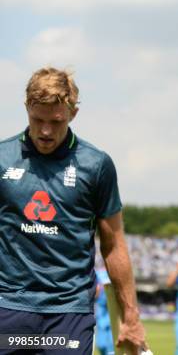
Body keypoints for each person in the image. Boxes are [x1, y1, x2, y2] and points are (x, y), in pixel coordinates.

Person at [0, 67, 148, 354]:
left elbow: (114, 245)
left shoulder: (96, 165)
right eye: (37, 119)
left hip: (68, 314)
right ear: (27, 107)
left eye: (55, 121)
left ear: (72, 114)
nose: (45, 131)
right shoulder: (2, 159)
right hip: (8, 308)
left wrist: (131, 316)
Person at [95, 268, 114, 355]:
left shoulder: (115, 271)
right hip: (101, 311)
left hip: (113, 311)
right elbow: (96, 291)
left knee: (111, 346)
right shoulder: (98, 273)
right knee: (101, 345)